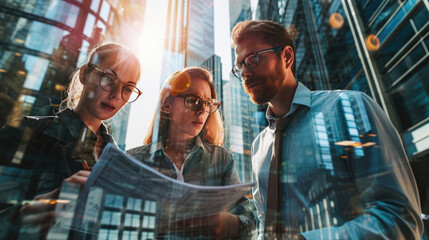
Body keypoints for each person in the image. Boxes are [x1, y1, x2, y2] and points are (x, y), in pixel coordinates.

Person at [230, 20, 423, 239]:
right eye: (239, 66)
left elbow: (400, 217)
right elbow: (266, 221)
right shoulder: (259, 146)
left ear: (286, 57)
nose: (244, 72)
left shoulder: (350, 108)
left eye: (253, 59)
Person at [0, 42, 142, 239]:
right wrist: (36, 210)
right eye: (109, 79)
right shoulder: (27, 131)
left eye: (128, 88)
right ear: (84, 75)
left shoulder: (123, 165)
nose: (116, 94)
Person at [126, 67, 256, 239]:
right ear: (167, 105)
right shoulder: (133, 160)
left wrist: (223, 222)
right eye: (193, 100)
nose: (202, 110)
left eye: (208, 103)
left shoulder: (221, 159)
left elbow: (250, 225)